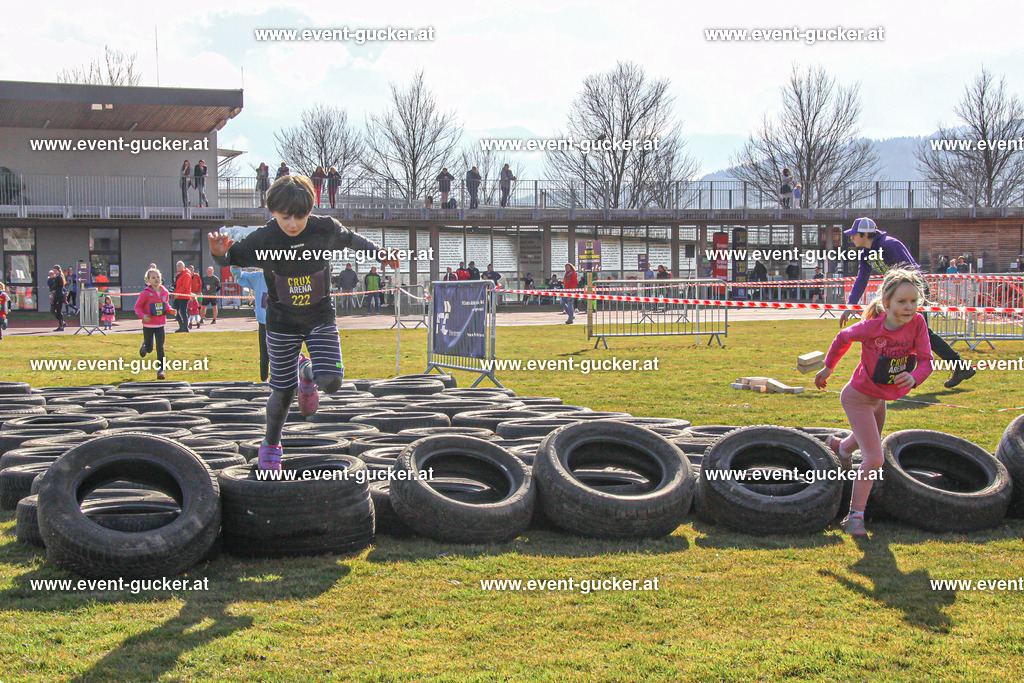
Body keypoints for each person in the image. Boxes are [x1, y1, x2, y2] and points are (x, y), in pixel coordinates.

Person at [209, 174, 386, 470]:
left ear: (310, 210)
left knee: (331, 382)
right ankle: (271, 445)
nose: (293, 224)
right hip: (281, 322)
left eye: (300, 217)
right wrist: (219, 254)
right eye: (285, 217)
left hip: (319, 317)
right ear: (273, 213)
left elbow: (353, 240)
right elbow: (230, 258)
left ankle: (308, 372)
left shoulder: (324, 228)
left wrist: (381, 253)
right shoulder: (263, 238)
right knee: (282, 390)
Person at [815, 268, 933, 536]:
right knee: (874, 457)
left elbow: (926, 360)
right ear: (887, 302)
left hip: (880, 400)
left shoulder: (918, 324)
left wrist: (914, 378)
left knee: (866, 443)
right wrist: (827, 368)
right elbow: (843, 337)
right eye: (902, 301)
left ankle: (840, 448)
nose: (909, 307)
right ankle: (854, 517)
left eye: (914, 301)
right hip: (858, 398)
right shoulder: (871, 328)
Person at [840, 216, 975, 388]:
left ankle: (903, 372)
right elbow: (861, 279)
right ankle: (956, 367)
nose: (851, 238)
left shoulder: (890, 245)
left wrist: (905, 296)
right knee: (906, 330)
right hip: (898, 293)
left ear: (865, 234)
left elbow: (911, 271)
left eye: (854, 234)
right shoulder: (866, 253)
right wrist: (849, 307)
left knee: (921, 332)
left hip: (914, 289)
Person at [231, 265, 270, 382]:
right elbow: (241, 277)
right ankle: (264, 380)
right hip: (264, 322)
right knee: (264, 353)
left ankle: (284, 381)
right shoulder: (259, 277)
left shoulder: (286, 275)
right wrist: (235, 266)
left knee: (283, 354)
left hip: (283, 322)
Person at [134, 267, 170, 380]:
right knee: (150, 349)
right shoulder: (145, 293)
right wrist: (143, 316)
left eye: (158, 277)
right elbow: (137, 307)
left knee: (160, 347)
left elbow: (166, 305)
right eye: (153, 278)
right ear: (148, 280)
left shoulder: (164, 291)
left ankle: (161, 370)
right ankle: (145, 346)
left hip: (160, 325)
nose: (156, 279)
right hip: (148, 325)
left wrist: (170, 310)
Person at [172, 261, 192, 333]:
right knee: (175, 311)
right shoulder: (179, 274)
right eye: (177, 266)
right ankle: (181, 326)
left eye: (180, 266)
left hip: (184, 296)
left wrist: (178, 293)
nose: (178, 267)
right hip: (178, 296)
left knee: (183, 312)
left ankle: (185, 327)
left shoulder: (186, 274)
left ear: (183, 266)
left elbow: (185, 287)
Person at [47, 265, 67, 331]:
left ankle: (61, 325)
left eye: (55, 270)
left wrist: (52, 287)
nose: (54, 272)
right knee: (53, 310)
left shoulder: (58, 277)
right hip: (56, 295)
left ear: (58, 271)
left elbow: (54, 286)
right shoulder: (56, 277)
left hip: (59, 296)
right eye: (54, 270)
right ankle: (62, 323)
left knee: (58, 311)